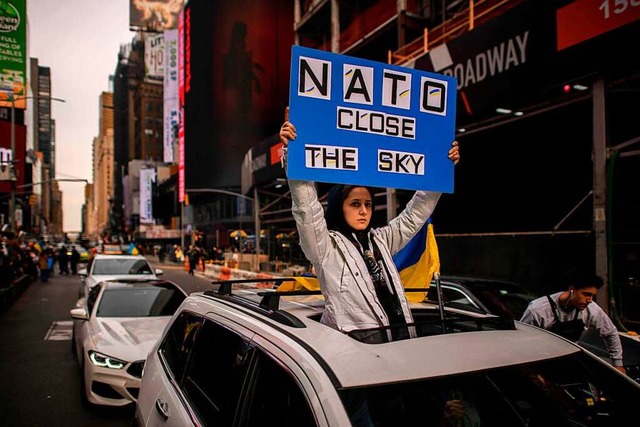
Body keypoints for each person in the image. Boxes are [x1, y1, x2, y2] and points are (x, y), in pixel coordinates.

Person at [279, 107, 460, 339]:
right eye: (355, 204)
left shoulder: (381, 240)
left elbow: (415, 214)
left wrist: (441, 167)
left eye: (368, 204)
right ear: (338, 207)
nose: (364, 211)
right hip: (353, 357)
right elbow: (306, 208)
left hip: (400, 345)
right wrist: (292, 152)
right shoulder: (324, 247)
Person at [520, 272, 626, 374]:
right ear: (572, 290)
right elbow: (521, 341)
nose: (590, 300)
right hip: (541, 360)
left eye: (592, 296)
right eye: (586, 294)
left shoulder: (591, 309)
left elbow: (611, 332)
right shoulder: (538, 309)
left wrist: (617, 363)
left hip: (570, 357)